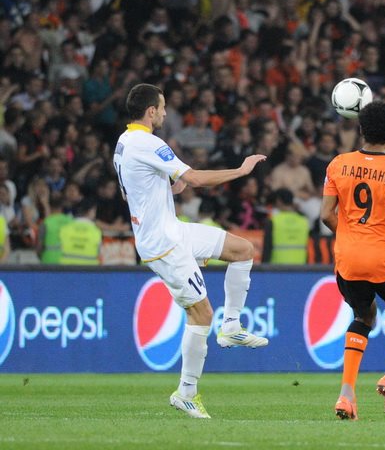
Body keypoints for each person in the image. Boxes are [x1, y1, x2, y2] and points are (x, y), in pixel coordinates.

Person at [113, 83, 268, 419]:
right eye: (162, 107)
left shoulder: (124, 143)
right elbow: (196, 179)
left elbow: (130, 193)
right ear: (151, 111)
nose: (165, 113)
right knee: (201, 314)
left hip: (173, 229)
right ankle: (185, 393)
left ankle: (232, 326)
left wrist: (168, 188)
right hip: (163, 243)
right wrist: (241, 171)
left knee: (243, 249)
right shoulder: (148, 142)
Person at [321, 101, 385, 421]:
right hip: (384, 259)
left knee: (363, 316)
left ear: (360, 129)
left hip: (348, 260)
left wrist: (352, 235)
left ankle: (346, 395)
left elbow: (326, 215)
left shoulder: (338, 164)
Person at [262, 188, 309, 264]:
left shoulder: (272, 221)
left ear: (278, 201)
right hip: (300, 266)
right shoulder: (304, 221)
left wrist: (263, 267)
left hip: (277, 267)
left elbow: (267, 249)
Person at [58, 198, 101, 265]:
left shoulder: (65, 228)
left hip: (67, 268)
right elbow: (98, 253)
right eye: (94, 211)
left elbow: (58, 249)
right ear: (90, 211)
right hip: (89, 268)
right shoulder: (96, 231)